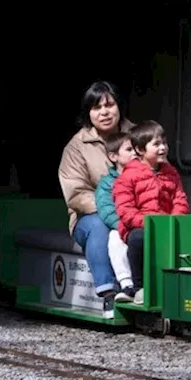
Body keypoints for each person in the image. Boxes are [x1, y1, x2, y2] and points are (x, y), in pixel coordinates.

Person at [58, 80, 133, 306]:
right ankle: (108, 293)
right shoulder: (76, 146)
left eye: (109, 105)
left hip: (134, 210)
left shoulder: (138, 136)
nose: (104, 112)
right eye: (96, 108)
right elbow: (76, 194)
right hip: (90, 216)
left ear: (119, 106)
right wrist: (113, 211)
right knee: (100, 225)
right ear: (88, 113)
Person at [112, 121, 189, 305]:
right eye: (156, 144)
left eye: (164, 143)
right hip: (140, 226)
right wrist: (151, 224)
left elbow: (180, 200)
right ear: (140, 150)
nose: (162, 148)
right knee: (138, 239)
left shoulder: (172, 173)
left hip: (167, 224)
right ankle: (139, 287)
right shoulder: (128, 176)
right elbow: (126, 210)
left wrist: (174, 221)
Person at [95, 133, 139, 301]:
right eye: (129, 149)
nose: (134, 153)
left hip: (142, 225)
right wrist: (124, 226)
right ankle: (127, 283)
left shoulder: (146, 176)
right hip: (124, 227)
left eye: (136, 149)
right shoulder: (107, 183)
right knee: (115, 238)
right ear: (113, 156)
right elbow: (106, 209)